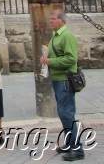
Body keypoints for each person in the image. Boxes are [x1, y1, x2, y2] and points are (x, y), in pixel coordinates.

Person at [40, 9, 84, 161]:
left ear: (62, 21)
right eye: (50, 19)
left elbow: (71, 59)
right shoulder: (56, 36)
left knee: (67, 113)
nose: (50, 21)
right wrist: (46, 57)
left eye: (53, 19)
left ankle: (77, 149)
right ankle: (70, 143)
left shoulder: (67, 36)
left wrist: (50, 61)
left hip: (65, 79)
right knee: (63, 114)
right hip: (58, 79)